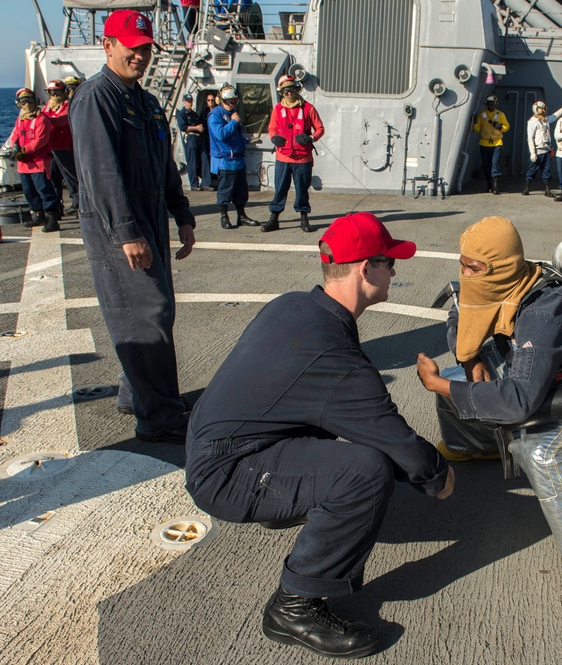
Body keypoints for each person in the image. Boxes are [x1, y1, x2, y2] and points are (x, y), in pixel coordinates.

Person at [186, 211, 454, 659]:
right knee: (366, 471)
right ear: (366, 268)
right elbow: (396, 440)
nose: (395, 270)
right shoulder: (334, 357)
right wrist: (439, 477)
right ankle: (295, 605)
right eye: (389, 261)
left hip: (222, 446)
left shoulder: (295, 305)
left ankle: (282, 502)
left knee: (342, 430)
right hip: (225, 475)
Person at [416, 216, 562, 604]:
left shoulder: (542, 312)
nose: (465, 273)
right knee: (459, 379)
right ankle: (474, 443)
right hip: (547, 378)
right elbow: (459, 312)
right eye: (463, 263)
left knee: (544, 451)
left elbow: (518, 403)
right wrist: (468, 362)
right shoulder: (503, 283)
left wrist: (440, 385)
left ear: (501, 264)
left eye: (474, 266)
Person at [69, 9, 197, 443]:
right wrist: (126, 232)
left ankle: (136, 394)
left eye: (145, 49)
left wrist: (183, 216)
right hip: (117, 225)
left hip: (150, 218)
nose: (140, 56)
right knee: (145, 316)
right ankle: (160, 418)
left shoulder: (144, 102)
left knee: (156, 312)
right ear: (108, 46)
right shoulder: (94, 98)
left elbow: (165, 167)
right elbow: (100, 172)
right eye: (132, 48)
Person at [263, 75, 325, 234]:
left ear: (297, 90)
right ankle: (274, 218)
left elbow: (320, 129)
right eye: (285, 91)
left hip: (302, 158)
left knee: (302, 189)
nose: (289, 93)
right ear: (282, 92)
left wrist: (310, 138)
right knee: (280, 189)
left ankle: (304, 218)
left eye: (291, 90)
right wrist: (273, 138)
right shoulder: (277, 109)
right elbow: (271, 129)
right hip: (283, 158)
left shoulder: (308, 108)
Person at [8, 88, 61, 233]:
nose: (27, 104)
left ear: (35, 101)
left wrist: (24, 150)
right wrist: (14, 148)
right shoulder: (20, 119)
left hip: (38, 162)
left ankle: (52, 218)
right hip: (24, 164)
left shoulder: (41, 119)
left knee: (44, 189)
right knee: (29, 191)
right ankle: (38, 214)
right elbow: (15, 135)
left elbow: (41, 140)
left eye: (29, 100)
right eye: (23, 101)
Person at [208, 85, 260, 229]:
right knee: (225, 190)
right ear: (222, 100)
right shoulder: (215, 115)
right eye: (229, 101)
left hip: (238, 159)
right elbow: (220, 134)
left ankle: (241, 216)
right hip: (225, 160)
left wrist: (245, 141)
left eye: (234, 101)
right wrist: (233, 122)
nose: (232, 104)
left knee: (241, 191)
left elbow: (236, 136)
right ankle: (224, 217)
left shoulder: (233, 112)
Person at [42, 79, 79, 216]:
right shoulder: (47, 107)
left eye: (57, 92)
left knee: (71, 177)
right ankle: (57, 204)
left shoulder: (69, 106)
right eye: (51, 92)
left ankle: (78, 202)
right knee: (53, 178)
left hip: (66, 147)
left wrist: (41, 118)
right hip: (50, 148)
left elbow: (60, 121)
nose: (54, 95)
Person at [472, 95, 509, 195]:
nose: (492, 105)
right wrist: (474, 123)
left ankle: (495, 186)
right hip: (484, 143)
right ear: (486, 104)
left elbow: (507, 127)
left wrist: (500, 127)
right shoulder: (482, 114)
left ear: (496, 104)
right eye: (490, 103)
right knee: (486, 165)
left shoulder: (500, 114)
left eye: (493, 103)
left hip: (497, 143)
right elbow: (477, 129)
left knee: (495, 163)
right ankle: (489, 184)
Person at [175, 93, 211, 191]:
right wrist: (196, 128)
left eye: (190, 101)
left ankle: (206, 183)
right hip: (190, 137)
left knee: (205, 160)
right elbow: (183, 127)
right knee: (192, 161)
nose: (189, 103)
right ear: (184, 101)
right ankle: (194, 184)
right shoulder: (181, 114)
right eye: (187, 101)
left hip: (199, 138)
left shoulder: (194, 114)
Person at [523, 100, 556, 197]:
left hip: (546, 150)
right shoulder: (532, 122)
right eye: (541, 108)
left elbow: (554, 116)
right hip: (538, 151)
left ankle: (547, 190)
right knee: (531, 170)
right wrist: (532, 152)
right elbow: (530, 138)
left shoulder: (545, 120)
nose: (543, 110)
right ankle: (527, 188)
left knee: (547, 171)